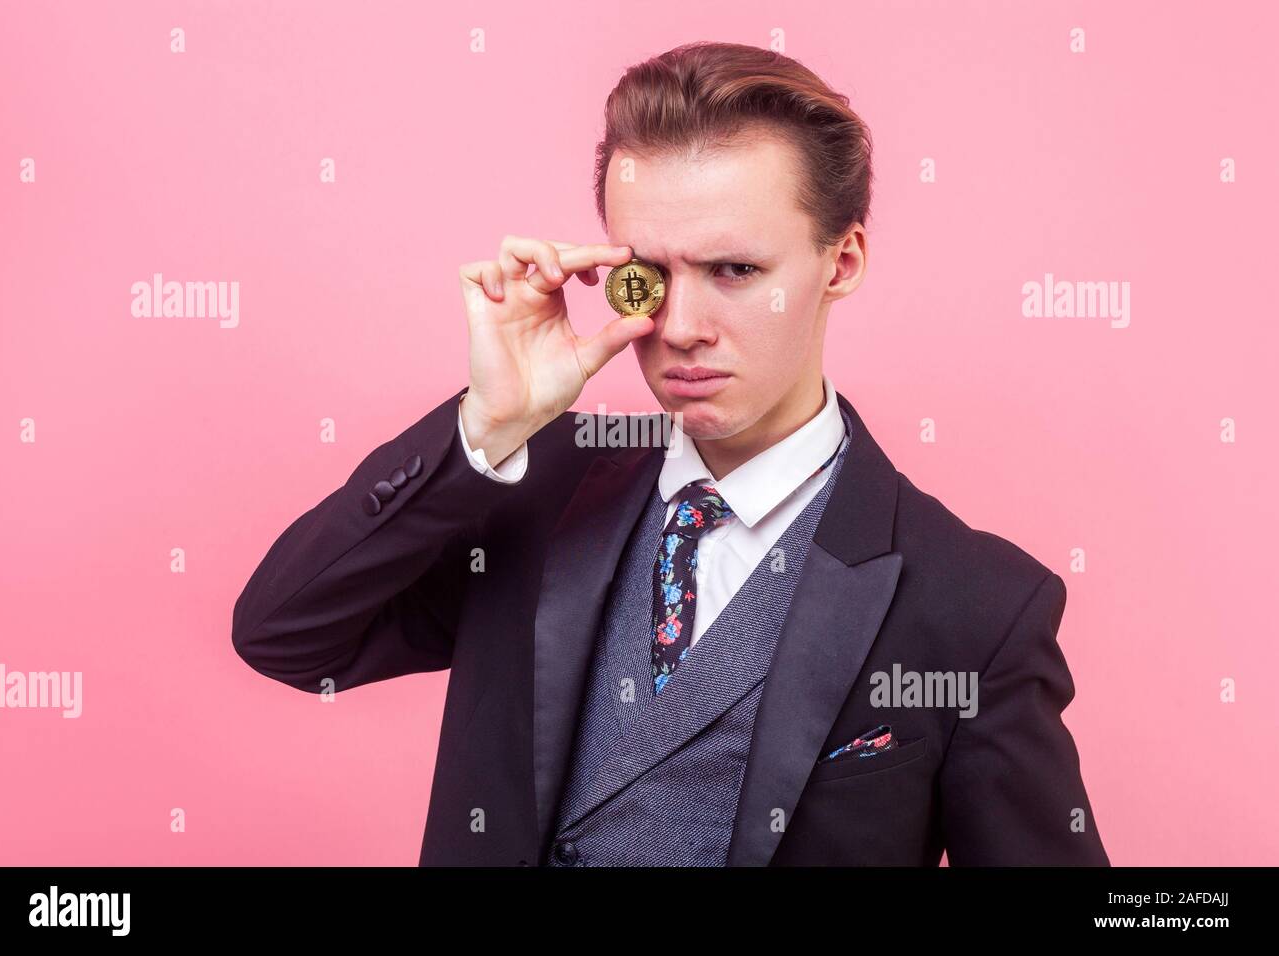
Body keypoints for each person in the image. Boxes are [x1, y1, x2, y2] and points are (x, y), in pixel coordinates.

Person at [232, 40, 1109, 866]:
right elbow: (287, 637)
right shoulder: (534, 483)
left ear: (841, 263)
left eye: (734, 271)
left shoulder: (976, 605)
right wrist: (490, 426)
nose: (680, 330)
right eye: (646, 275)